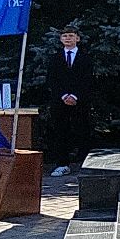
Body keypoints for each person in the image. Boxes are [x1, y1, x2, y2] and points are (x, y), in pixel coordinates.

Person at [44, 26, 94, 177]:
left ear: (77, 38)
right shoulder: (55, 58)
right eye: (65, 36)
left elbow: (88, 80)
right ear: (61, 39)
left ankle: (86, 164)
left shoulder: (85, 59)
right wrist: (64, 96)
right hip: (60, 102)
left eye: (71, 36)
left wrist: (75, 96)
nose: (68, 38)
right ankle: (62, 164)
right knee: (61, 132)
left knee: (83, 131)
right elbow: (52, 80)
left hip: (80, 102)